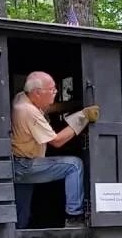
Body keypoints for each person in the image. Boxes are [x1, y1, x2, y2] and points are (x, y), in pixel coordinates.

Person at [11, 71, 98, 228]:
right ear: (37, 93)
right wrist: (82, 118)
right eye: (52, 89)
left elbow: (46, 109)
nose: (56, 92)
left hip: (17, 164)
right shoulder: (28, 111)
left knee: (21, 216)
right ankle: (74, 217)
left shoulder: (22, 98)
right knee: (74, 165)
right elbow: (57, 141)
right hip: (24, 166)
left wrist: (76, 106)